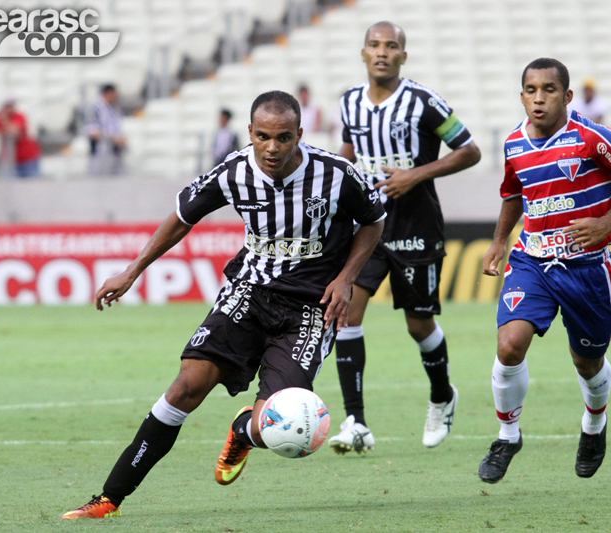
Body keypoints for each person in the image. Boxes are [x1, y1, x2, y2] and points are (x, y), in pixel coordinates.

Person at [62, 90, 386, 519]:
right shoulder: (233, 171)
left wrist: (347, 279)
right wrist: (132, 270)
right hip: (249, 292)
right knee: (185, 387)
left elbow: (374, 219)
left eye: (284, 137)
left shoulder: (336, 173)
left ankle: (243, 432)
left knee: (285, 423)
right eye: (264, 136)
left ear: (299, 135)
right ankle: (109, 498)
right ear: (250, 133)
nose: (272, 148)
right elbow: (182, 218)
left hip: (310, 308)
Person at [478, 58, 611, 483]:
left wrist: (606, 222)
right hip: (532, 260)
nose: (538, 98)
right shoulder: (513, 145)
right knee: (509, 345)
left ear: (567, 96)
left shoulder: (592, 138)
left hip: (586, 269)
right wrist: (501, 241)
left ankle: (594, 426)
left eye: (549, 90)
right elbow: (512, 195)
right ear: (521, 95)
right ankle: (508, 436)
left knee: (587, 363)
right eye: (530, 90)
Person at [328, 21, 481, 454]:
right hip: (369, 226)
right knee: (347, 313)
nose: (382, 52)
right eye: (374, 45)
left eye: (391, 46)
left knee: (418, 324)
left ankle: (442, 396)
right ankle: (355, 421)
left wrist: (416, 174)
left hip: (417, 226)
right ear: (363, 53)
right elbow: (350, 149)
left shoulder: (422, 103)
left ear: (402, 56)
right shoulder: (350, 103)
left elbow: (469, 150)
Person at [0, 97, 41, 178]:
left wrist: (4, 122)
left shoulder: (19, 116)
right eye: (7, 106)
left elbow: (15, 132)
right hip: (9, 160)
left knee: (32, 186)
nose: (9, 108)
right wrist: (6, 128)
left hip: (27, 159)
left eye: (11, 105)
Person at [86, 83, 126, 176]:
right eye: (114, 94)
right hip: (100, 153)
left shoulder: (115, 109)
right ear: (107, 93)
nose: (116, 96)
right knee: (99, 185)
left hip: (115, 153)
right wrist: (112, 138)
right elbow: (92, 133)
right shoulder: (95, 108)